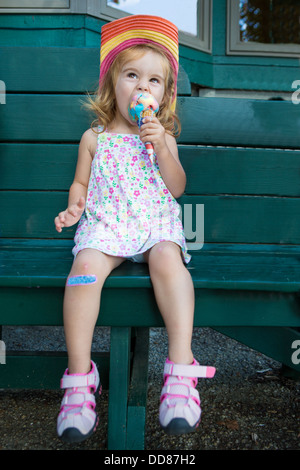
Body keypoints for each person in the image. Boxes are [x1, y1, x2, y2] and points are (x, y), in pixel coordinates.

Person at [54, 14, 215, 444]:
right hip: (106, 226)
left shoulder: (163, 138)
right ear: (111, 84)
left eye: (154, 82)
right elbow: (81, 183)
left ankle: (180, 370)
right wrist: (75, 206)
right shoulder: (95, 137)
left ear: (165, 96)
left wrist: (161, 144)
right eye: (131, 75)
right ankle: (79, 377)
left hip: (153, 225)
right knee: (83, 270)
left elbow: (177, 187)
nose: (142, 89)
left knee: (169, 259)